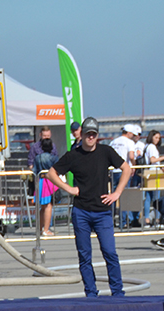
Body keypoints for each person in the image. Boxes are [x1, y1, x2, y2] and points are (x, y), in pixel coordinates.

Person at [46, 117, 130, 298]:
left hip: (102, 212)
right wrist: (68, 188)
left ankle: (118, 292)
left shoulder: (106, 152)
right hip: (81, 211)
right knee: (85, 256)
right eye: (87, 134)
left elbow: (127, 169)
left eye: (94, 134)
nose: (90, 137)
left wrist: (117, 193)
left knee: (110, 253)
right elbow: (51, 173)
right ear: (81, 134)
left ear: (97, 135)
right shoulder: (73, 155)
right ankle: (91, 293)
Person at [109, 124, 141, 228]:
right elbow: (131, 156)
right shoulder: (129, 142)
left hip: (113, 170)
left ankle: (111, 219)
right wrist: (134, 166)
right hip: (123, 171)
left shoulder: (113, 142)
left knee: (112, 196)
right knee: (123, 195)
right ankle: (123, 222)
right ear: (129, 133)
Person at [140, 130, 164, 226]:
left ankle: (147, 219)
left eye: (159, 138)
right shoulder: (152, 147)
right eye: (156, 138)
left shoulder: (146, 146)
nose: (157, 140)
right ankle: (157, 220)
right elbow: (153, 160)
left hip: (148, 173)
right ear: (151, 137)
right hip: (154, 173)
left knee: (148, 197)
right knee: (156, 197)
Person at [32, 138, 59, 236]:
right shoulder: (53, 158)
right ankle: (46, 229)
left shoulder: (37, 158)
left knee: (42, 207)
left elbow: (34, 170)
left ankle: (39, 229)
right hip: (49, 182)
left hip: (40, 181)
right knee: (48, 206)